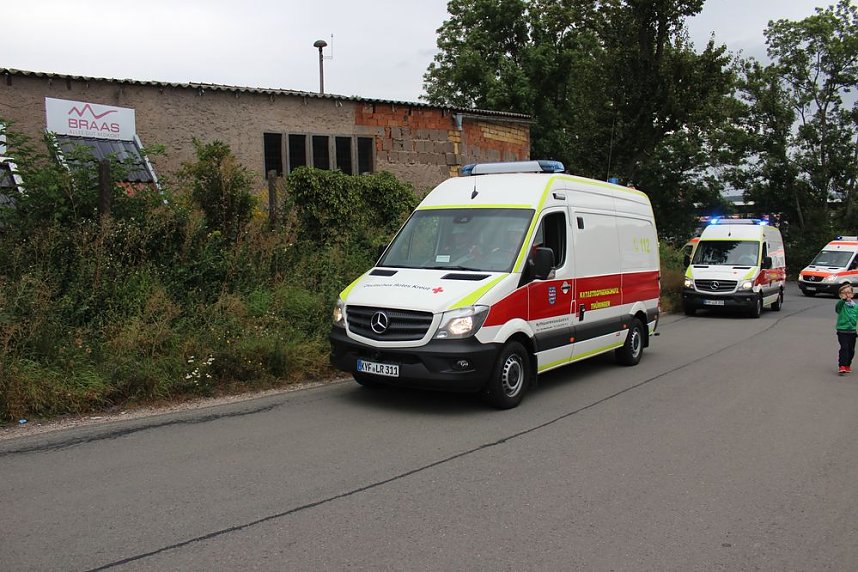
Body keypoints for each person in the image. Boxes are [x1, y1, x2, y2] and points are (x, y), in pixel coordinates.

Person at [835, 283, 858, 375]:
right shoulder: (841, 306)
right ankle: (842, 365)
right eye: (844, 293)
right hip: (842, 331)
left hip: (852, 331)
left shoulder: (856, 307)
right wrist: (843, 300)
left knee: (851, 350)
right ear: (841, 295)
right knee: (844, 348)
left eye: (849, 292)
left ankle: (848, 364)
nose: (847, 294)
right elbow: (837, 308)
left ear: (852, 294)